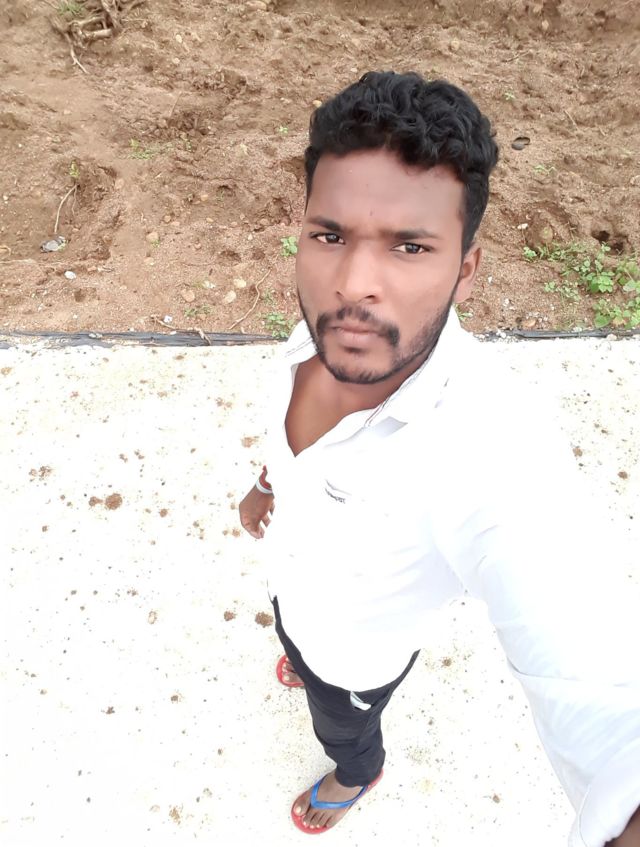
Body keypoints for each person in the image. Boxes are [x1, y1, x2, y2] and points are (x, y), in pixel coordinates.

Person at [238, 71, 640, 844]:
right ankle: (297, 655)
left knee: (343, 725)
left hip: (354, 663)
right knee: (294, 640)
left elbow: (598, 675)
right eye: (330, 236)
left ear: (466, 269)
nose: (354, 285)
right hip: (294, 597)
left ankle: (358, 773)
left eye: (410, 247)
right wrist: (264, 484)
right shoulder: (319, 337)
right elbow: (285, 436)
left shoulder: (490, 444)